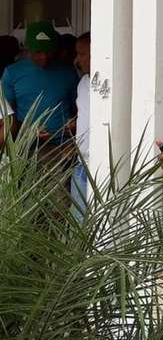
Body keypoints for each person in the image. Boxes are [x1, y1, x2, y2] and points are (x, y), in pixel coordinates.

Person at [2, 21, 79, 149]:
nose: (44, 57)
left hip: (64, 146)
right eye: (38, 52)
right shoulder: (12, 73)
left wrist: (76, 123)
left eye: (49, 51)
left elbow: (79, 108)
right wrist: (28, 130)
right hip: (27, 147)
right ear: (28, 49)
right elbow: (6, 116)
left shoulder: (68, 72)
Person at [71, 32, 91, 214]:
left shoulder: (115, 83)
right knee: (78, 226)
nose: (78, 60)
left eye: (82, 54)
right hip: (81, 165)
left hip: (102, 165)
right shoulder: (83, 82)